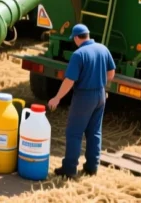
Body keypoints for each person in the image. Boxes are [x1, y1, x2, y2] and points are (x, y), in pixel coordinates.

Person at [47, 23, 116, 177]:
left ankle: (69, 169)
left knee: (74, 133)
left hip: (84, 97)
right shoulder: (103, 49)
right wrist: (102, 85)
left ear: (77, 38)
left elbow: (69, 80)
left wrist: (57, 98)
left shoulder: (79, 54)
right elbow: (111, 72)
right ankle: (92, 167)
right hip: (100, 95)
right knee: (94, 132)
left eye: (74, 39)